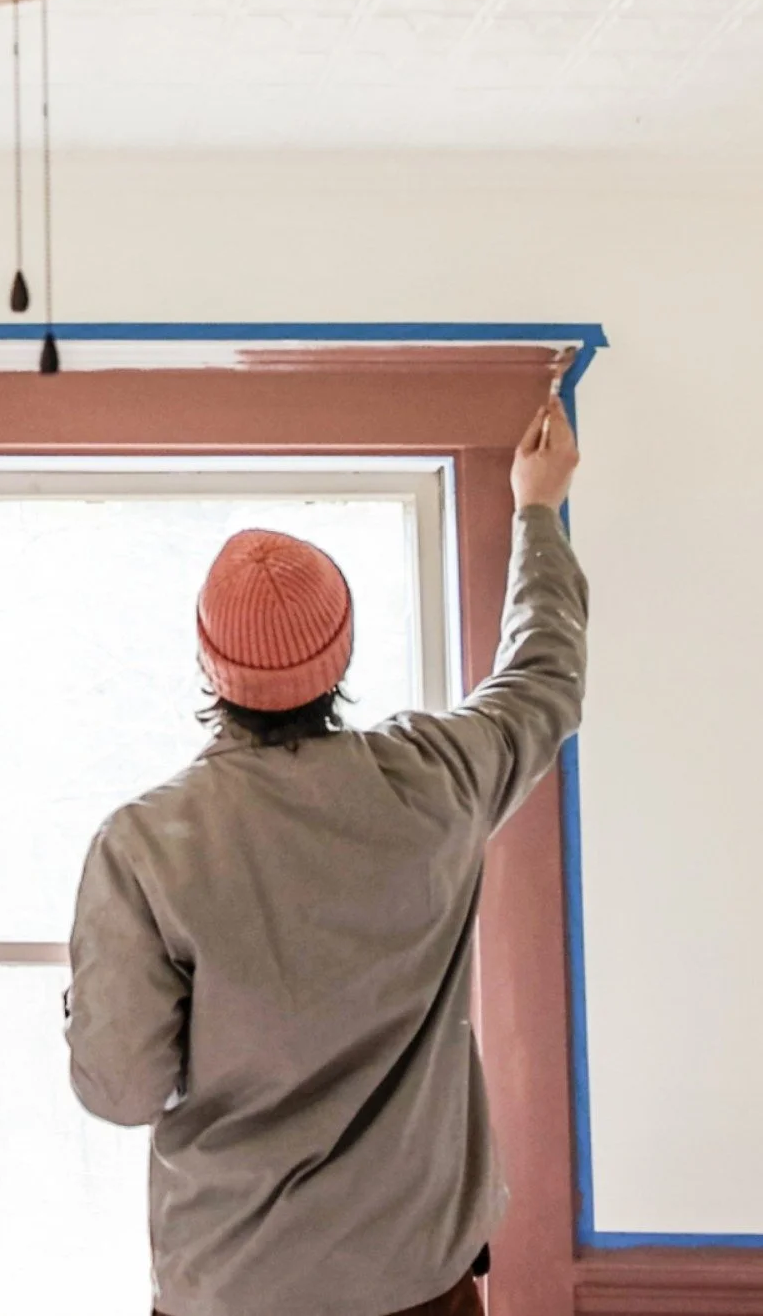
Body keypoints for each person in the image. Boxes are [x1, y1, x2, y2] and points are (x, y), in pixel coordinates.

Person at [65, 398, 587, 1316]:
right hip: (417, 1285)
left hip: (231, 1289)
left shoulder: (143, 843)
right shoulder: (441, 779)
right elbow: (544, 675)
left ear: (209, 663)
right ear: (339, 652)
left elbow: (121, 1090)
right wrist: (536, 508)